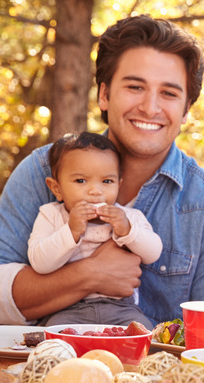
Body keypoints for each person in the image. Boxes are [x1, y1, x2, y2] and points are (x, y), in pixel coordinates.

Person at [0, 15, 204, 327]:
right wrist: (89, 274)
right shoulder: (42, 170)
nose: (150, 107)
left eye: (169, 93)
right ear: (104, 95)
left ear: (185, 110)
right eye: (135, 86)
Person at [28, 132, 162, 327]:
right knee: (52, 338)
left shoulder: (129, 217)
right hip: (67, 308)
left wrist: (128, 231)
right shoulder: (51, 215)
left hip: (121, 308)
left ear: (119, 184)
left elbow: (154, 253)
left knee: (144, 334)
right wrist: (71, 231)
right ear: (56, 188)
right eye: (81, 181)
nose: (96, 191)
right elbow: (39, 262)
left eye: (107, 181)